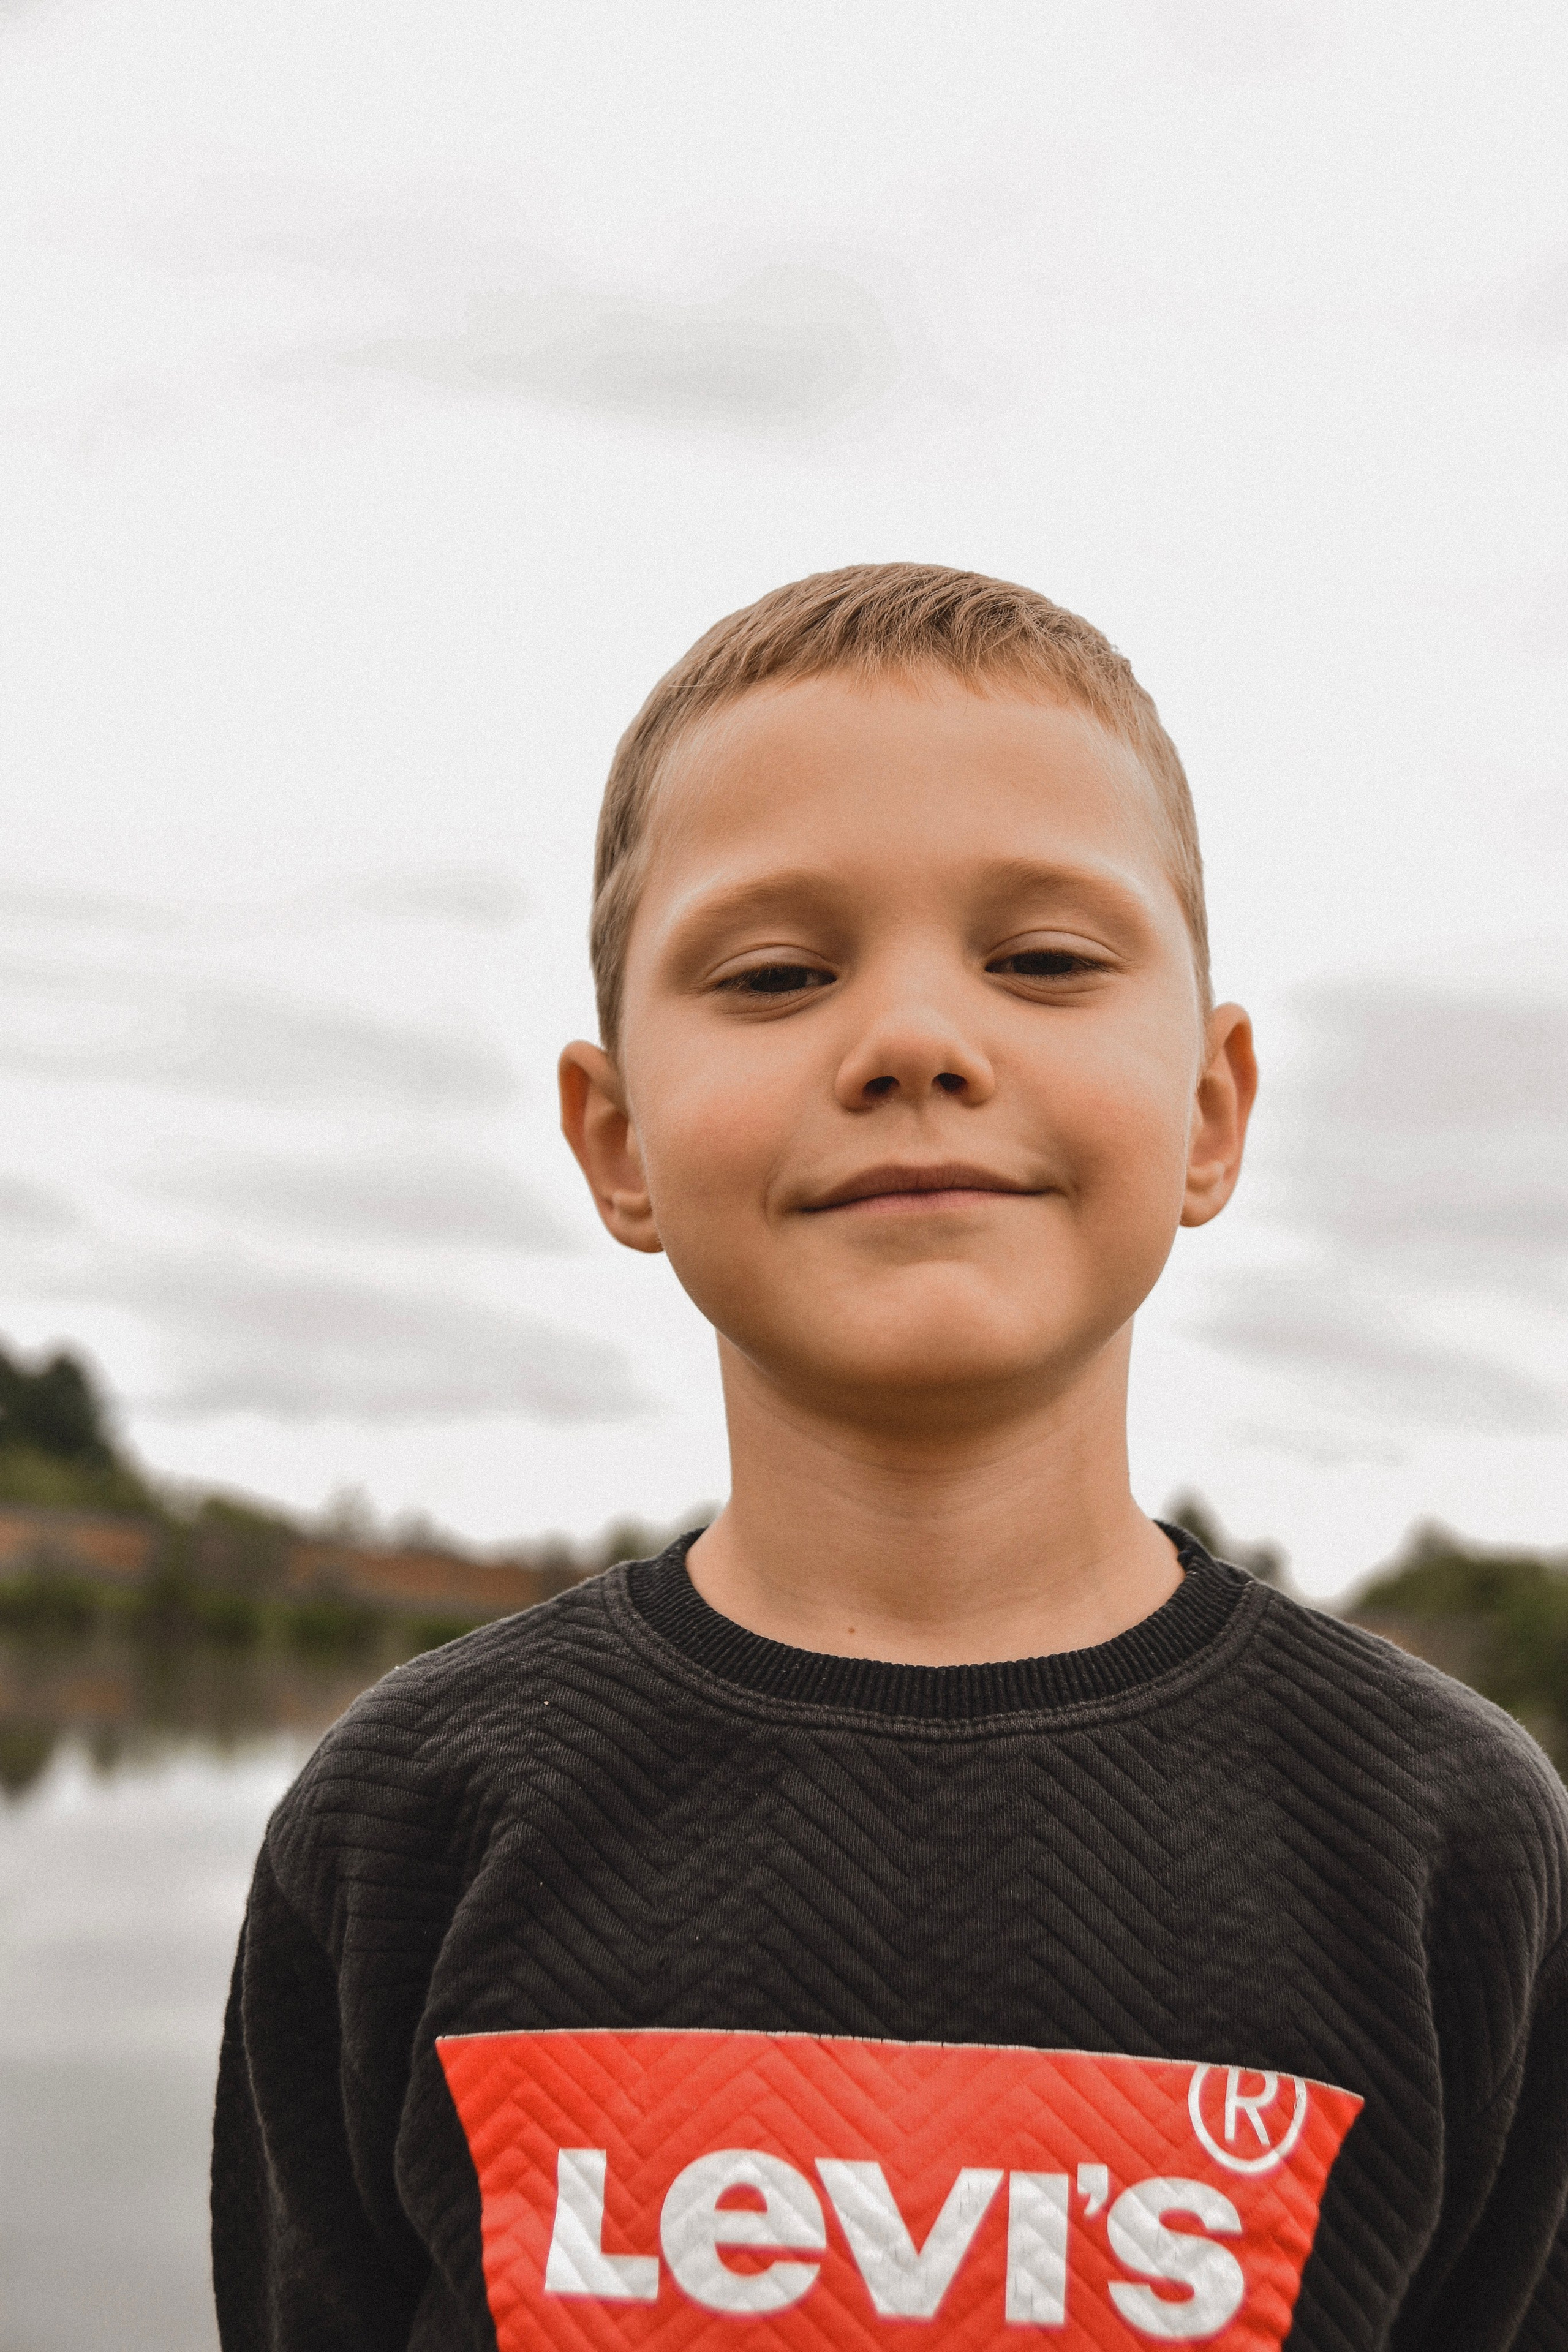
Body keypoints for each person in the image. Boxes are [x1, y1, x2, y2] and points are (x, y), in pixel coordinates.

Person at [211, 565, 1568, 2351]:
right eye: (778, 974)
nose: (919, 1043)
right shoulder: (407, 1821)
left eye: (1044, 963)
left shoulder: (1448, 1847)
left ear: (1210, 1115)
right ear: (615, 1141)